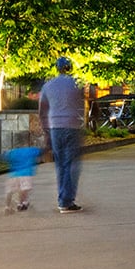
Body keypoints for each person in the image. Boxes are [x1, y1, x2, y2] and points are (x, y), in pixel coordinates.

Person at [38, 56, 85, 213]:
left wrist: (46, 130)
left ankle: (63, 199)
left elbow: (42, 111)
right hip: (72, 126)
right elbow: (84, 102)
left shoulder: (48, 86)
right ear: (69, 68)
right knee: (71, 164)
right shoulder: (76, 83)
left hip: (55, 128)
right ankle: (66, 201)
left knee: (61, 164)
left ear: (57, 68)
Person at [2, 133, 40, 214]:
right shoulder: (30, 150)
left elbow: (5, 156)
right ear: (28, 142)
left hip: (14, 174)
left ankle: (7, 206)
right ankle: (21, 203)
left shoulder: (13, 152)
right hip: (26, 173)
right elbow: (40, 151)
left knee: (10, 191)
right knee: (24, 190)